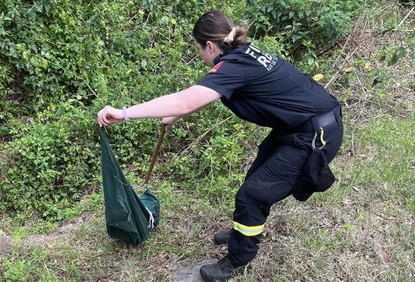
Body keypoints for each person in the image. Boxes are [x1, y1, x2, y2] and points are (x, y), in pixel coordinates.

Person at [97, 10, 343, 282]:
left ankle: (238, 258)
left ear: (210, 46)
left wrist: (124, 112)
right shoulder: (242, 54)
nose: (200, 56)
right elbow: (202, 97)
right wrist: (176, 115)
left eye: (198, 49)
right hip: (297, 125)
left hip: (315, 133)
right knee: (255, 179)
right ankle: (244, 230)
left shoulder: (233, 65)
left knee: (252, 195)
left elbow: (185, 100)